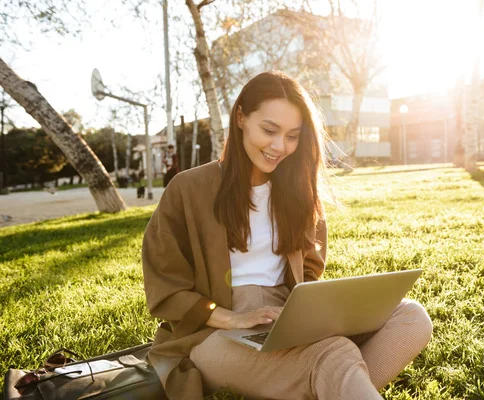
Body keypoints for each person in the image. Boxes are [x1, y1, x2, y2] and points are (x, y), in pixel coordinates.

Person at [142, 71, 433, 400]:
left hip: (285, 318)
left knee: (411, 318)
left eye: (293, 135)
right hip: (211, 335)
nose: (280, 146)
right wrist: (232, 318)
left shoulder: (298, 192)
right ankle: (331, 379)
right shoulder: (188, 188)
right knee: (332, 355)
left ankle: (328, 383)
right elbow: (165, 287)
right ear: (240, 118)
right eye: (269, 130)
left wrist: (311, 313)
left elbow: (309, 270)